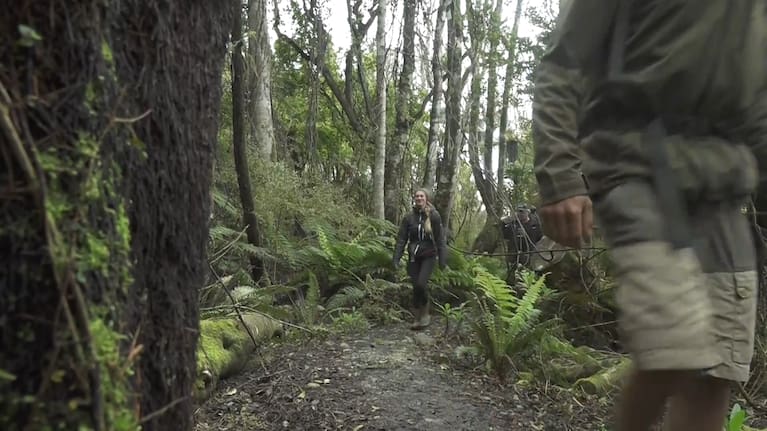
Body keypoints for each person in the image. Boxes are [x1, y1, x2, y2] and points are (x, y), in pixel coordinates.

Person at [531, 1, 767, 430]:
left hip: (725, 186)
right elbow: (564, 62)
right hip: (637, 164)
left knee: (719, 369)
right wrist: (559, 175)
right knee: (673, 347)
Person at [392, 189, 448, 330]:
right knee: (416, 286)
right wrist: (396, 258)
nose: (419, 198)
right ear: (414, 199)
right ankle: (418, 317)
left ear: (426, 198)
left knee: (421, 285)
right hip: (413, 257)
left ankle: (424, 314)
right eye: (417, 196)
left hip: (428, 255)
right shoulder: (409, 218)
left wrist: (442, 259)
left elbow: (440, 238)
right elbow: (401, 239)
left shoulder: (434, 216)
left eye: (421, 196)